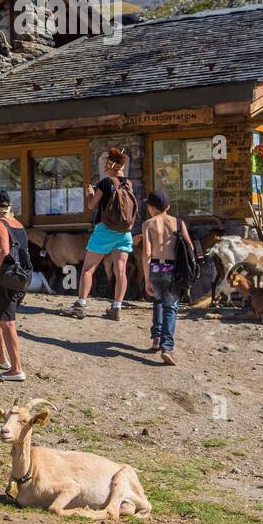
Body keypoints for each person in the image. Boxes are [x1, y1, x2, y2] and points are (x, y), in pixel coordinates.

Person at [69, 148, 137, 320]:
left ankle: (81, 305)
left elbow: (92, 205)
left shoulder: (105, 183)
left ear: (111, 164)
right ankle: (116, 308)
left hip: (105, 231)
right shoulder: (129, 183)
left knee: (87, 269)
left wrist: (90, 193)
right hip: (124, 232)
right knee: (120, 271)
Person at [140, 190, 192, 366]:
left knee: (158, 301)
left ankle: (156, 336)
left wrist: (147, 277)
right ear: (168, 206)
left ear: (151, 207)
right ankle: (167, 347)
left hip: (155, 265)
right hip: (173, 267)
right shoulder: (178, 223)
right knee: (171, 307)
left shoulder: (148, 224)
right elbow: (189, 247)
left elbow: (146, 252)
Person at [0, 190, 28, 381]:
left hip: (4, 278)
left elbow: (3, 251)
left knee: (7, 322)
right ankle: (1, 357)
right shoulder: (16, 223)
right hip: (18, 278)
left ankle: (16, 369)